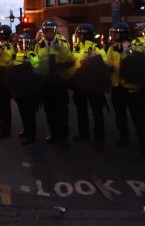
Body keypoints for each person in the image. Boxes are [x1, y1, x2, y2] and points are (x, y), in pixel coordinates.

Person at [106, 22, 145, 156]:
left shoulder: (137, 47)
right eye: (113, 32)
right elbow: (108, 63)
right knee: (120, 115)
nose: (114, 35)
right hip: (117, 86)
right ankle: (124, 137)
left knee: (138, 116)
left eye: (116, 33)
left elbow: (142, 65)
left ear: (124, 33)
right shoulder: (112, 48)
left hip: (132, 86)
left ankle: (144, 142)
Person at [71, 23, 109, 151]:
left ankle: (100, 139)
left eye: (81, 34)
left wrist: (95, 58)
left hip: (93, 83)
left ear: (86, 34)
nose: (79, 36)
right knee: (81, 111)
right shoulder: (76, 47)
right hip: (79, 83)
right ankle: (84, 133)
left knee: (97, 112)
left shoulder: (96, 47)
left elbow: (105, 62)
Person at [34, 19, 71, 148]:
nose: (47, 33)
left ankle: (63, 136)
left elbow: (68, 59)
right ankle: (54, 133)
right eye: (45, 31)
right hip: (45, 82)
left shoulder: (63, 43)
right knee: (49, 109)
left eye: (50, 31)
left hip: (59, 82)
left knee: (61, 109)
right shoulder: (38, 45)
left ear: (54, 32)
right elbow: (36, 61)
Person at [11, 33, 40, 145]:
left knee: (30, 114)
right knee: (22, 111)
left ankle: (31, 135)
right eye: (21, 43)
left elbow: (37, 72)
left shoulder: (33, 56)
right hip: (19, 89)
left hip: (29, 89)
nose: (23, 45)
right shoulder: (16, 55)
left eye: (26, 43)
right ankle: (26, 130)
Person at [0, 24, 15, 139]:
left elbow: (7, 60)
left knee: (4, 104)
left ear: (4, 35)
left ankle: (6, 129)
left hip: (4, 79)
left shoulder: (8, 47)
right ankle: (2, 123)